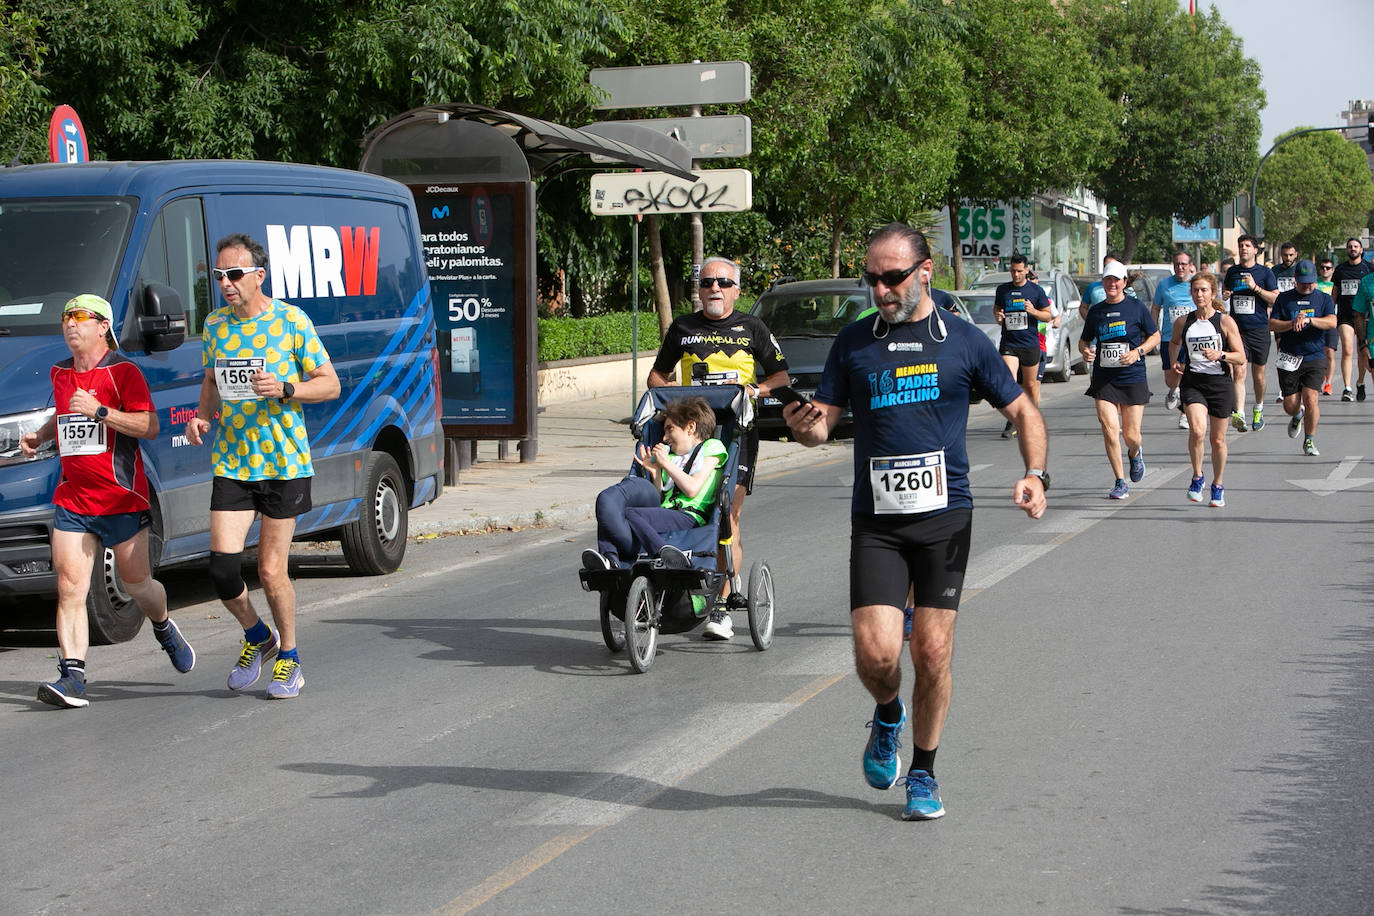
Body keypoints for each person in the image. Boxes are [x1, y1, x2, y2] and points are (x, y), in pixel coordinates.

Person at [784, 223, 1048, 821]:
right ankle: (887, 713)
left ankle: (924, 773)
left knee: (931, 652)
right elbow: (822, 424)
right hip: (876, 520)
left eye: (892, 277)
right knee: (875, 655)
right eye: (871, 278)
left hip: (945, 518)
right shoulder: (852, 343)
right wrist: (806, 428)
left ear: (925, 271)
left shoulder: (964, 341)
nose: (880, 289)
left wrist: (1036, 473)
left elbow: (1023, 410)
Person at [185, 233, 340, 699]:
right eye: (219, 276)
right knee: (222, 571)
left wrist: (287, 389)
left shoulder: (291, 322)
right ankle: (258, 635)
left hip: (282, 462)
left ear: (258, 275)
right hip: (233, 462)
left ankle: (290, 657)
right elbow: (212, 381)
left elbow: (329, 384)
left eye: (234, 275)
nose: (226, 284)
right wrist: (201, 417)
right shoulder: (215, 325)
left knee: (271, 572)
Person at [21, 295, 196, 708]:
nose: (70, 324)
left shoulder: (123, 372)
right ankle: (73, 677)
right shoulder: (60, 373)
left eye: (80, 317)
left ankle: (164, 626)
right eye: (66, 317)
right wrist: (40, 436)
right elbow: (65, 415)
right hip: (74, 499)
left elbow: (149, 425)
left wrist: (101, 411)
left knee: (137, 585)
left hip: (121, 498)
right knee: (69, 588)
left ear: (103, 326)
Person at [648, 256, 789, 641]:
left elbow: (781, 375)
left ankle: (723, 605)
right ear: (699, 288)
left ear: (736, 290)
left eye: (724, 283)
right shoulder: (683, 327)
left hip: (738, 433)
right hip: (690, 435)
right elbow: (657, 375)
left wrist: (756, 391)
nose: (715, 288)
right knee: (682, 505)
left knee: (727, 517)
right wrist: (670, 394)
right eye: (708, 281)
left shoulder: (751, 327)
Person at [583, 396, 726, 570]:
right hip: (666, 514)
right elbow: (660, 500)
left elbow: (692, 489)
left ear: (690, 427)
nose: (665, 438)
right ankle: (609, 558)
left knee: (629, 513)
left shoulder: (711, 447)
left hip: (690, 516)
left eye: (670, 429)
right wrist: (655, 472)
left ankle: (661, 552)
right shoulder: (671, 457)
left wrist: (666, 463)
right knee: (613, 511)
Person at [1079, 261, 1160, 499]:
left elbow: (1154, 336)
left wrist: (1138, 352)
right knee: (1109, 429)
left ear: (1124, 282)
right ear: (1102, 283)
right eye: (1107, 280)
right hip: (1104, 378)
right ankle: (1119, 481)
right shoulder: (1096, 311)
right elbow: (1084, 341)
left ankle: (1135, 453)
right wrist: (1085, 351)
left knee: (1130, 436)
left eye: (1116, 280)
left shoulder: (1136, 308)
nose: (1112, 284)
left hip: (1132, 377)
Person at [1165, 273, 1245, 507]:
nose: (1199, 295)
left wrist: (1221, 354)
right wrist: (1174, 363)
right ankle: (1197, 476)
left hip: (1220, 385)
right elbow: (1174, 342)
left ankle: (1217, 484)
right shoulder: (1184, 321)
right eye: (1195, 290)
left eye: (1203, 290)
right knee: (1198, 431)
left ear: (1212, 293)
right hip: (1194, 383)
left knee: (1218, 440)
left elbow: (1241, 357)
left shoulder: (1225, 322)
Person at [1269, 260, 1337, 456]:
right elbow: (1272, 324)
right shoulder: (1284, 299)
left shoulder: (1324, 299)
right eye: (1303, 282)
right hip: (1289, 356)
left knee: (1311, 399)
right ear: (1295, 280)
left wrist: (1309, 320)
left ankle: (1309, 440)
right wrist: (1292, 323)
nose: (1307, 286)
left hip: (1314, 357)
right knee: (1290, 405)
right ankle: (1297, 416)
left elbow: (1332, 321)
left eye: (1310, 282)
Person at [1220, 235, 1278, 431]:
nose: (1243, 248)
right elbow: (1225, 290)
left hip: (1259, 328)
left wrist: (1256, 288)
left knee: (1258, 374)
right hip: (1237, 329)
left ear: (1255, 250)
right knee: (1238, 369)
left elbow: (1274, 299)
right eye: (1240, 246)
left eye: (1247, 246)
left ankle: (1259, 407)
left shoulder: (1265, 273)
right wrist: (1226, 295)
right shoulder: (1233, 272)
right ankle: (1240, 413)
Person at [992, 254, 1053, 439]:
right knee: (1009, 381)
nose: (1016, 274)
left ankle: (1031, 418)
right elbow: (996, 310)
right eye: (1013, 271)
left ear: (1027, 270)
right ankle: (1013, 420)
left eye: (1019, 271)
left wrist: (1033, 311)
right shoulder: (1003, 290)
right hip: (1009, 343)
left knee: (1031, 385)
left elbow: (1047, 316)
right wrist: (998, 317)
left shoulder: (1036, 291)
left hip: (1029, 344)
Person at [1151, 250, 1197, 427]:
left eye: (1184, 264)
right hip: (1169, 339)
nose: (1180, 267)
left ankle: (1185, 413)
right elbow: (1155, 307)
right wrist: (1154, 329)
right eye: (1177, 264)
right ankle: (1173, 390)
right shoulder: (1164, 285)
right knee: (1171, 377)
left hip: (1192, 339)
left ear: (1190, 266)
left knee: (1189, 375)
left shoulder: (1195, 284)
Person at [1330, 238, 1371, 401]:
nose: (1352, 249)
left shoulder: (1368, 269)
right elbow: (1335, 292)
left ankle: (1360, 383)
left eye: (1355, 246)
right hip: (1345, 315)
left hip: (1364, 316)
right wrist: (1330, 311)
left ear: (1361, 250)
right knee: (1347, 349)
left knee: (1362, 352)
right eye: (1350, 247)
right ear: (1346, 250)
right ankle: (1347, 388)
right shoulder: (1340, 270)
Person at [1078, 253, 1121, 320]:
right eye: (1106, 266)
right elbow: (1083, 307)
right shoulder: (1093, 288)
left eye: (1112, 267)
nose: (1109, 269)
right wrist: (1091, 322)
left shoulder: (1126, 288)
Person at [1317, 257, 1337, 395]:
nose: (1325, 270)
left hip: (1331, 321)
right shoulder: (1314, 284)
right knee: (1318, 353)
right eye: (1323, 267)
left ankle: (1328, 383)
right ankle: (1318, 379)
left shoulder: (1335, 285)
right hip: (1316, 321)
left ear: (1333, 270)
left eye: (1328, 268)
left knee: (1330, 352)